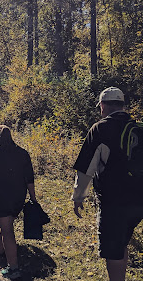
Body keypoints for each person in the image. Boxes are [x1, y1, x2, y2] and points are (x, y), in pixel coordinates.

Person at [72, 87, 143, 281]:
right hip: (139, 198)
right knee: (122, 243)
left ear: (103, 105)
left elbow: (86, 169)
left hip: (115, 201)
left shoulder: (100, 129)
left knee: (113, 250)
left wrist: (78, 198)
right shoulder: (137, 128)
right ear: (122, 105)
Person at [0, 125, 36, 280]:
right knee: (7, 224)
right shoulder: (22, 153)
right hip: (18, 196)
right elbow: (29, 177)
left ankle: (14, 267)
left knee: (8, 229)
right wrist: (33, 197)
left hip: (0, 195)